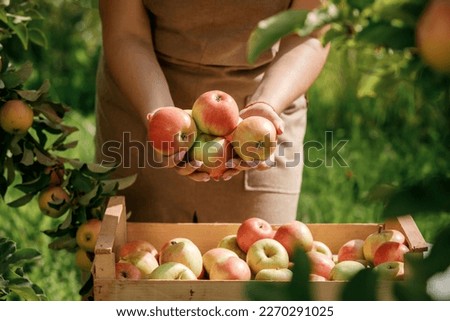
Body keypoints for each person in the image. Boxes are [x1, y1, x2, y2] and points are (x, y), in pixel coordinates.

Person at [95, 0, 330, 224]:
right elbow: (126, 33)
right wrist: (161, 121)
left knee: (256, 253)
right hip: (143, 89)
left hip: (269, 95)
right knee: (130, 253)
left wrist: (267, 105)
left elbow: (310, 34)